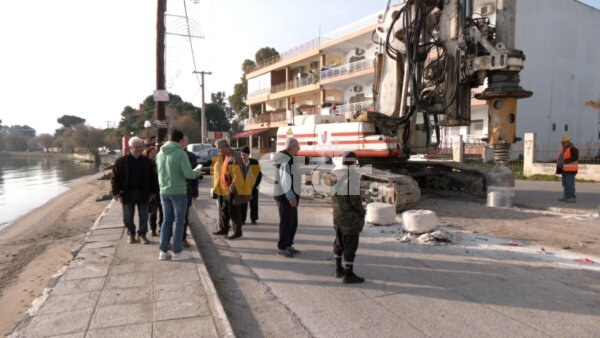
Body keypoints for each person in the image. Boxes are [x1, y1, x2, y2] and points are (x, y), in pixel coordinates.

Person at [156, 129, 203, 260]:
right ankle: (177, 252)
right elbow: (188, 174)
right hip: (178, 191)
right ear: (180, 140)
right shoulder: (181, 154)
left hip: (164, 191)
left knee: (166, 221)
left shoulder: (160, 153)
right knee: (179, 221)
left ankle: (163, 251)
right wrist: (197, 172)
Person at [111, 137, 158, 244]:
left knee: (144, 216)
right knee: (127, 218)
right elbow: (115, 178)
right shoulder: (121, 162)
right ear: (130, 147)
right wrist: (115, 192)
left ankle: (142, 234)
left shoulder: (148, 162)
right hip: (127, 194)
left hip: (144, 193)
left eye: (141, 147)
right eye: (136, 147)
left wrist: (154, 192)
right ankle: (131, 233)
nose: (139, 149)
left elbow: (154, 178)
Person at [328, 151, 366, 284]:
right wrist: (362, 212)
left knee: (339, 242)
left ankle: (339, 269)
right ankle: (348, 274)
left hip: (337, 216)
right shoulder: (352, 177)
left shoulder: (335, 175)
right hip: (350, 218)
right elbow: (355, 200)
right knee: (350, 244)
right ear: (353, 162)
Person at [212, 139, 249, 240]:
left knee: (234, 211)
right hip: (225, 188)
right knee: (224, 209)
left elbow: (238, 174)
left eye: (219, 148)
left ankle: (237, 232)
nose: (218, 150)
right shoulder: (226, 156)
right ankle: (224, 228)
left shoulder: (235, 156)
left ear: (226, 147)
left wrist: (233, 186)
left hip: (232, 189)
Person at [274, 137, 301, 258]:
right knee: (286, 222)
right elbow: (285, 180)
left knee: (292, 222)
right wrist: (291, 197)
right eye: (297, 147)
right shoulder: (285, 159)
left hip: (289, 196)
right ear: (292, 147)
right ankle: (282, 247)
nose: (299, 149)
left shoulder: (289, 158)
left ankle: (288, 244)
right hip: (285, 197)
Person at [180, 135, 199, 248]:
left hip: (187, 190)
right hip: (173, 190)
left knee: (184, 216)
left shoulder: (191, 156)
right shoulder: (171, 155)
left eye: (185, 141)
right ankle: (167, 239)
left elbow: (195, 174)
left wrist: (195, 192)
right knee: (168, 217)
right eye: (182, 141)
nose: (184, 143)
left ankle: (183, 238)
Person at [143, 146, 163, 237]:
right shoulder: (145, 165)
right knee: (153, 212)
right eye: (152, 154)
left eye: (155, 153)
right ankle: (153, 229)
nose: (154, 155)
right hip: (152, 192)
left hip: (161, 190)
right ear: (147, 154)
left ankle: (161, 228)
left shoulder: (159, 163)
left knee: (162, 211)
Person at [240, 146, 262, 225]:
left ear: (248, 155)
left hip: (253, 186)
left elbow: (259, 175)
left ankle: (253, 219)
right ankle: (242, 219)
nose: (243, 157)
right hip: (243, 187)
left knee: (254, 204)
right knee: (243, 204)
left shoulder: (254, 162)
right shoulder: (238, 163)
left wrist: (255, 185)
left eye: (244, 155)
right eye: (241, 155)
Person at [556, 134, 579, 203]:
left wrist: (565, 161)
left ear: (568, 142)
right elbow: (561, 158)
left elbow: (575, 157)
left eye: (563, 142)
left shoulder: (572, 148)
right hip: (564, 169)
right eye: (562, 142)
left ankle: (572, 197)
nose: (562, 144)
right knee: (565, 184)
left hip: (571, 170)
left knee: (570, 184)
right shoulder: (563, 149)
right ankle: (566, 197)